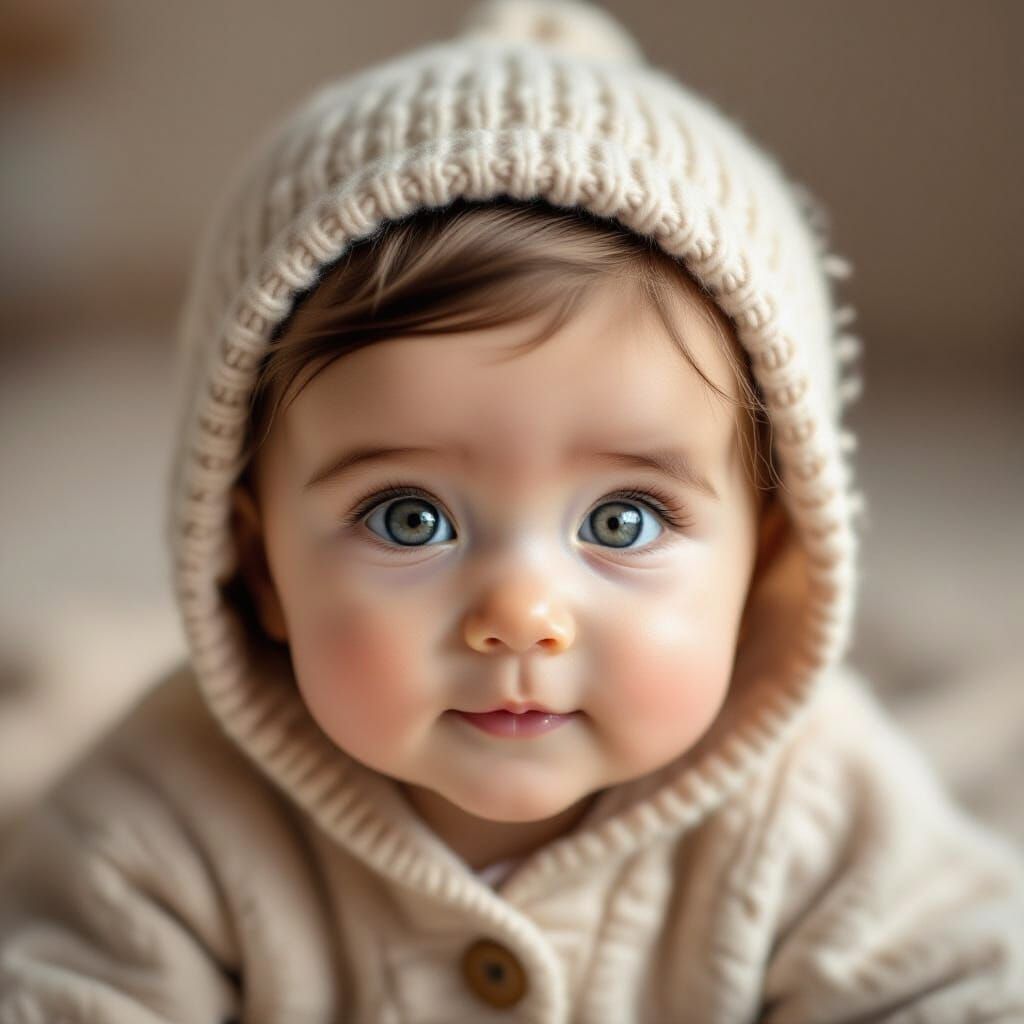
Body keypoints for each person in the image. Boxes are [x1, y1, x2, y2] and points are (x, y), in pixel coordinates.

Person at [2, 1, 1022, 1020]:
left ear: (764, 558)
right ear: (259, 566)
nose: (521, 614)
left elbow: (964, 982)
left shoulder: (818, 805)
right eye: (408, 517)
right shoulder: (159, 818)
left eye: (622, 520)